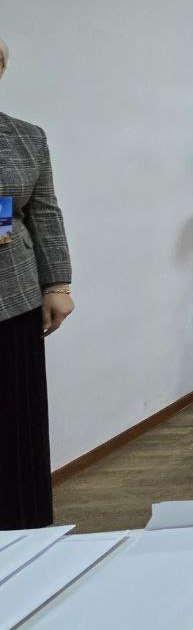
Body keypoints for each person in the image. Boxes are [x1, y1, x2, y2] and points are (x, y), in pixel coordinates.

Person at [0, 36, 74, 529]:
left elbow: (43, 212)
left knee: (15, 427)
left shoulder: (26, 137)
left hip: (14, 295)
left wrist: (57, 284)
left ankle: (25, 532)